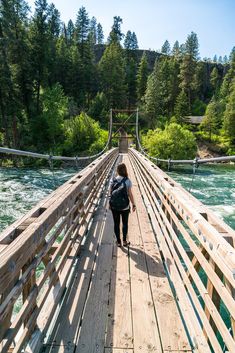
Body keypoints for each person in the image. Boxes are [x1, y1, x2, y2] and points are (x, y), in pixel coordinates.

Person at [109, 163, 136, 247]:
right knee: (125, 223)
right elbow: (130, 194)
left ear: (117, 170)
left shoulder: (113, 180)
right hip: (125, 206)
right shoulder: (127, 181)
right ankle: (124, 241)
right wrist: (133, 204)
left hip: (114, 206)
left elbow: (110, 193)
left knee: (116, 224)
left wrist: (110, 203)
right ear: (125, 170)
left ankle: (118, 242)